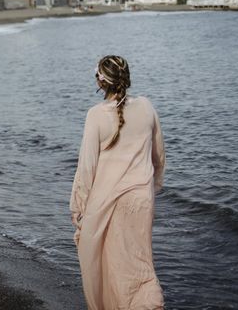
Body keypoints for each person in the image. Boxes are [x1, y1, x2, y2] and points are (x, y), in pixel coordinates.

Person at [70, 55, 165, 309]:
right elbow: (159, 156)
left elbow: (86, 167)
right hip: (140, 201)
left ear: (102, 83)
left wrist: (78, 207)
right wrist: (152, 187)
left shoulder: (96, 115)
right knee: (140, 264)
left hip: (106, 202)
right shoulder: (146, 107)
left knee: (104, 262)